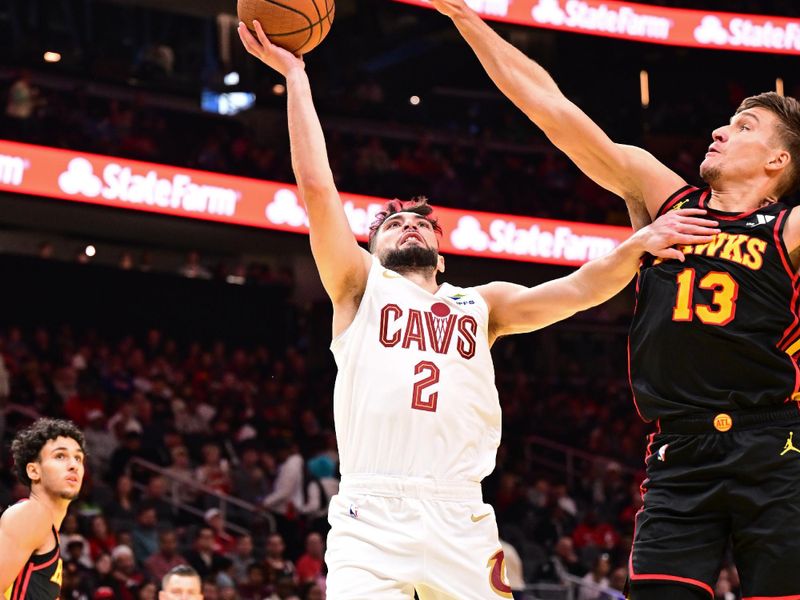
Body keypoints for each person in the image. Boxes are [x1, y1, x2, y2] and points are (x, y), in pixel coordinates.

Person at [238, 19, 717, 600]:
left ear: (440, 258)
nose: (409, 225)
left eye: (421, 223)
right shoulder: (357, 288)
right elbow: (316, 188)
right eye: (393, 224)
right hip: (372, 513)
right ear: (372, 248)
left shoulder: (482, 303)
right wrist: (296, 76)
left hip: (461, 515)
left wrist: (638, 245)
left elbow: (579, 289)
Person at [428, 1, 800, 598]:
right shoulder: (665, 200)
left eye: (745, 127)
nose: (721, 130)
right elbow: (553, 110)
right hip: (681, 450)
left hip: (778, 445)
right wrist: (467, 20)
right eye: (728, 121)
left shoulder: (789, 228)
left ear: (778, 161)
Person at [0, 418, 86, 599]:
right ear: (34, 471)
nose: (74, 465)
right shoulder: (33, 514)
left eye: (78, 458)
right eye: (60, 456)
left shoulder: (47, 531)